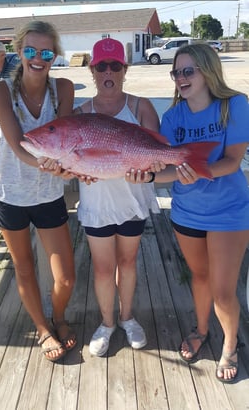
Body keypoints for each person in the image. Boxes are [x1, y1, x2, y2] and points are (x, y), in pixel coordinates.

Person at [127, 42, 249, 383]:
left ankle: (230, 344)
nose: (180, 78)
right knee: (200, 276)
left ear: (207, 71)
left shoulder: (234, 105)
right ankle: (201, 328)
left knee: (224, 289)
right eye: (176, 72)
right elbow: (168, 169)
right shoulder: (173, 116)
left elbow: (232, 162)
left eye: (188, 71)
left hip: (228, 212)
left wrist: (197, 171)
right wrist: (149, 175)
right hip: (187, 213)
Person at [0, 20, 76, 362]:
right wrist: (44, 162)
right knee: (23, 267)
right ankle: (42, 328)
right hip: (11, 194)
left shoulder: (63, 88)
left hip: (50, 194)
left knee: (65, 277)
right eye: (30, 50)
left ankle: (59, 316)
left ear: (55, 55)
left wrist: (64, 163)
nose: (38, 58)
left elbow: (66, 137)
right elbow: (18, 143)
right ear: (18, 51)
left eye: (46, 52)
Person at [71, 37, 161, 356]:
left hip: (131, 202)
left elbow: (158, 154)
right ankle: (107, 323)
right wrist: (72, 169)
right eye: (101, 66)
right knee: (103, 268)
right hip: (97, 206)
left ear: (124, 70)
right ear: (92, 71)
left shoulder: (141, 107)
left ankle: (127, 318)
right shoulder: (80, 112)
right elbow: (69, 159)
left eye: (115, 65)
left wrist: (150, 170)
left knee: (128, 261)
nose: (108, 71)